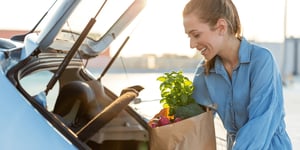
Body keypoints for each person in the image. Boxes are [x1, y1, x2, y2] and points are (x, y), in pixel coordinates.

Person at [182, 0, 292, 149]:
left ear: (221, 27)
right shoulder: (204, 71)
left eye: (196, 35)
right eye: (189, 36)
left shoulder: (261, 60)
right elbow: (193, 124)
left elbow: (260, 125)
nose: (192, 45)